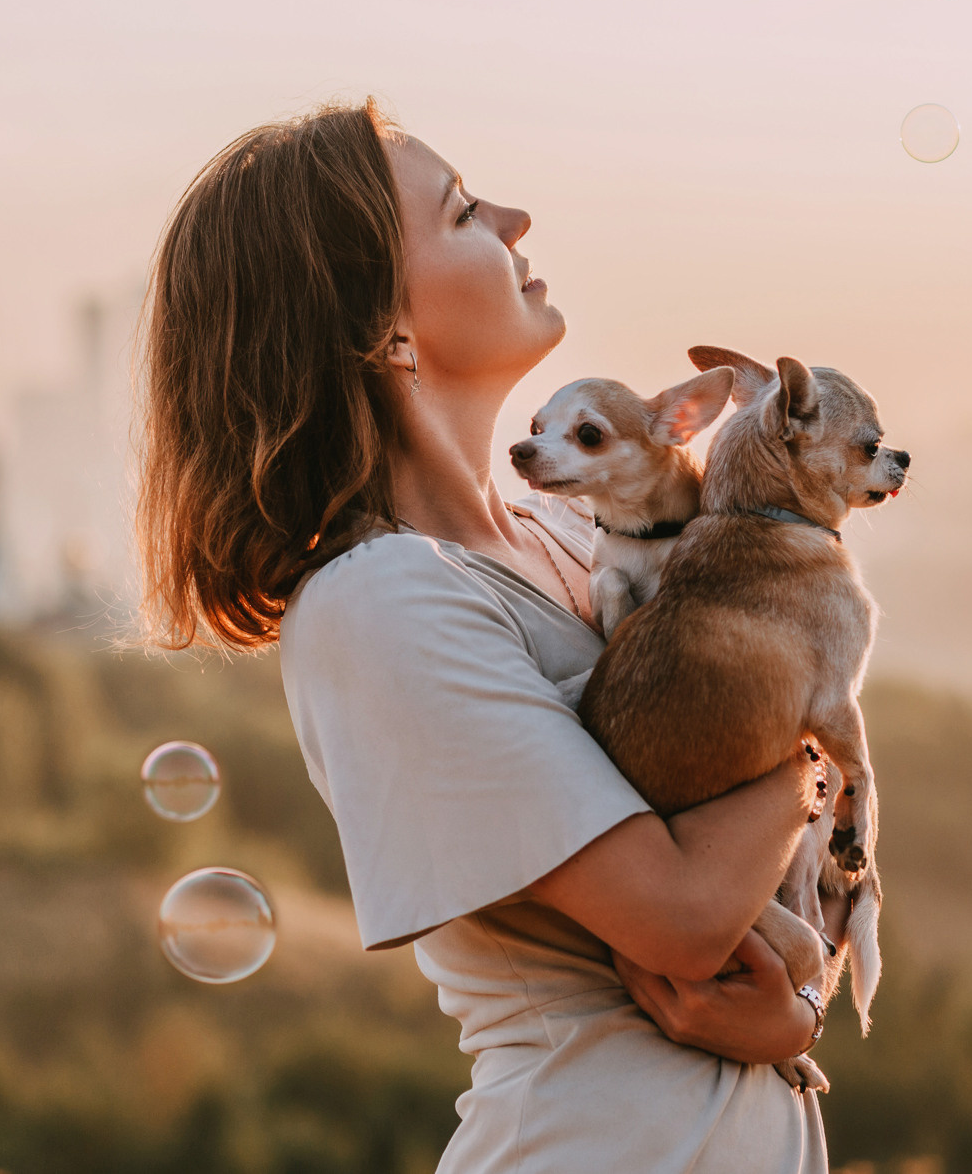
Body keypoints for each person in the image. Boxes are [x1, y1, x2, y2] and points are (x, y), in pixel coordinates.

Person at [137, 99, 844, 1173]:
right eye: (464, 212)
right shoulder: (382, 602)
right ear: (381, 324)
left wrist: (800, 1004)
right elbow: (688, 913)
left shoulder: (581, 534)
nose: (516, 220)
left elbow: (778, 875)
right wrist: (814, 740)